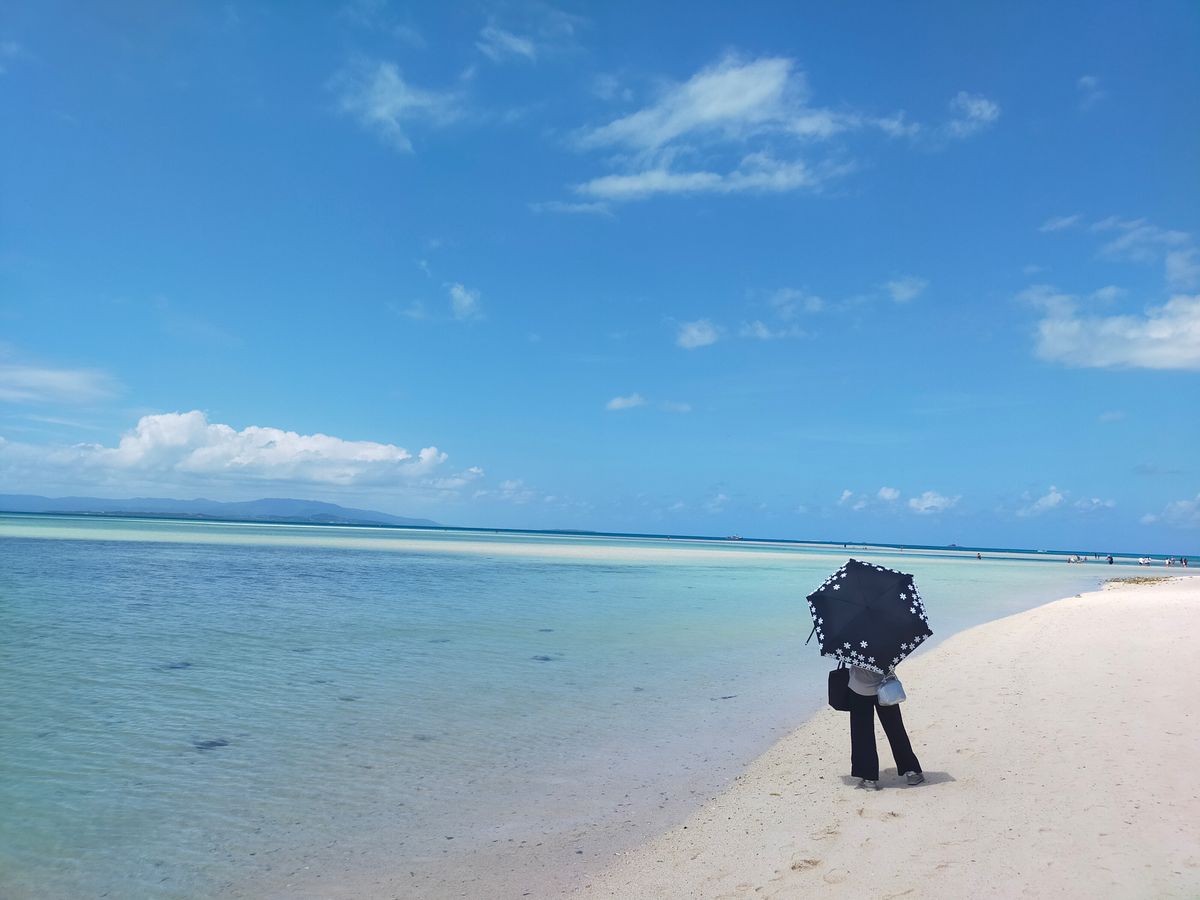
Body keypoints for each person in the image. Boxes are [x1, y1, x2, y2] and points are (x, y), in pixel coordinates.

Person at [847, 664, 923, 790]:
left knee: (862, 734)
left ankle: (869, 778)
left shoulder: (854, 650)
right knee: (895, 729)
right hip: (885, 685)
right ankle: (911, 771)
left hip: (859, 688)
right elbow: (893, 659)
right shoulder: (885, 649)